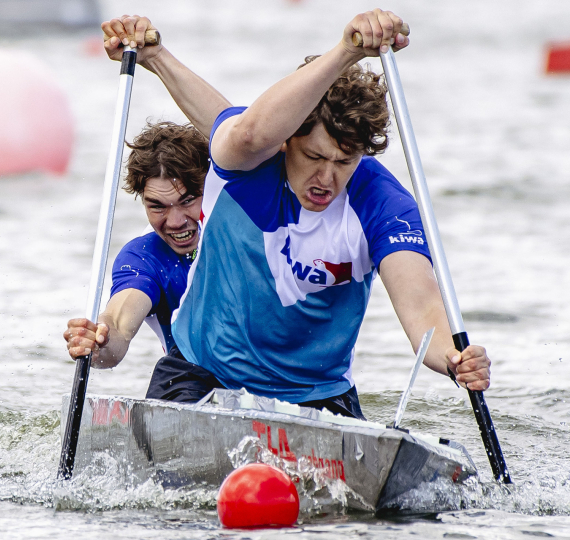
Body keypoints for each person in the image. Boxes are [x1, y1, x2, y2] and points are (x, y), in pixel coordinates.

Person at [93, 11, 491, 419]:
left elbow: (423, 308)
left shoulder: (384, 204)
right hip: (202, 376)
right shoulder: (247, 164)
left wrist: (454, 358)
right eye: (315, 156)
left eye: (344, 161)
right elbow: (248, 130)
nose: (326, 178)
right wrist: (346, 52)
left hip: (317, 392)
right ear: (286, 142)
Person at [63, 27, 231, 368]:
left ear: (209, 188)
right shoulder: (144, 258)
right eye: (157, 206)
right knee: (168, 370)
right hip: (193, 378)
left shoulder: (248, 226)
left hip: (279, 377)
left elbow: (239, 130)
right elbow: (120, 327)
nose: (175, 221)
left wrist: (155, 57)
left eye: (187, 200)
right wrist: (98, 342)